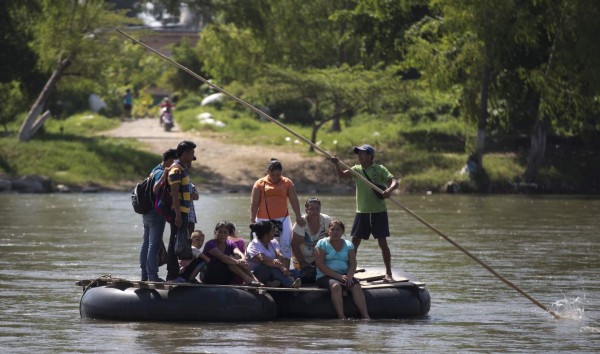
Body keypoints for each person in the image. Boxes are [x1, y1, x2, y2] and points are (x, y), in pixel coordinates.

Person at [331, 144, 399, 282]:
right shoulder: (356, 169)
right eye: (359, 154)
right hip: (362, 212)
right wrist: (337, 164)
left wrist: (389, 190)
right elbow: (342, 176)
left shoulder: (379, 169)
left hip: (378, 212)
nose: (360, 156)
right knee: (354, 242)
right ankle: (349, 272)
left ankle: (389, 273)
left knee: (382, 242)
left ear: (370, 156)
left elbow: (394, 181)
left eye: (363, 153)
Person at [250, 158, 305, 269]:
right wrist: (252, 220)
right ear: (268, 172)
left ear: (281, 173)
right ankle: (263, 270)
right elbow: (254, 203)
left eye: (278, 175)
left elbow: (294, 200)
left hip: (283, 219)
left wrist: (298, 216)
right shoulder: (260, 183)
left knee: (285, 245)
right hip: (263, 219)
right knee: (263, 243)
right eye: (272, 174)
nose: (275, 177)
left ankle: (285, 271)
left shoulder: (287, 182)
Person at [314, 220, 370, 320]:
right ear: (328, 231)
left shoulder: (348, 245)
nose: (335, 232)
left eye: (338, 230)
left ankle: (366, 316)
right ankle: (342, 317)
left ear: (342, 231)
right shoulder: (322, 243)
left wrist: (349, 276)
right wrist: (337, 276)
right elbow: (319, 264)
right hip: (326, 276)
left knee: (356, 286)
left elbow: (353, 263)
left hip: (344, 275)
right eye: (333, 229)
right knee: (336, 286)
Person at [140, 148, 177, 282]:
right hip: (155, 213)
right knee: (153, 244)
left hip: (147, 212)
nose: (176, 164)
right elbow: (156, 188)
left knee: (146, 243)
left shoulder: (154, 169)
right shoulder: (160, 172)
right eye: (175, 161)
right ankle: (152, 276)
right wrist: (165, 175)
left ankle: (145, 275)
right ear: (169, 160)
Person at [165, 140, 197, 281]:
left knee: (180, 242)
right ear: (186, 153)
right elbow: (174, 193)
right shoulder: (176, 169)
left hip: (183, 211)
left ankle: (177, 272)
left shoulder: (182, 168)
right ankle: (172, 274)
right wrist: (178, 214)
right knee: (174, 242)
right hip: (178, 212)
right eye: (192, 153)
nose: (193, 156)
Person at [202, 222, 263, 286]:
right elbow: (223, 257)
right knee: (230, 260)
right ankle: (248, 279)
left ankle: (254, 280)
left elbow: (238, 252)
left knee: (237, 257)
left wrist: (243, 259)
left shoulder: (229, 243)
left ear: (228, 234)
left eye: (225, 233)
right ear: (215, 232)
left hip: (224, 276)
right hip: (210, 274)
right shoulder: (210, 244)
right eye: (220, 232)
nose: (222, 235)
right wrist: (238, 262)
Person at [246, 221, 301, 288]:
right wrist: (280, 266)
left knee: (296, 272)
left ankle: (273, 282)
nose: (274, 233)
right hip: (257, 273)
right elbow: (263, 260)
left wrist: (280, 259)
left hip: (274, 269)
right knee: (272, 267)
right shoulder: (254, 245)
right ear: (266, 234)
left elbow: (278, 253)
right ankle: (290, 284)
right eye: (272, 231)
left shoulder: (273, 241)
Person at [291, 198, 332, 284]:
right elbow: (295, 245)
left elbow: (331, 240)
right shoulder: (301, 222)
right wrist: (302, 262)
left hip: (319, 257)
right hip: (303, 259)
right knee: (308, 275)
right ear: (306, 210)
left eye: (317, 208)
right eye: (311, 208)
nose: (315, 211)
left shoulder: (326, 220)